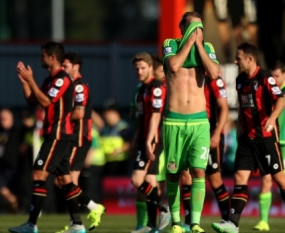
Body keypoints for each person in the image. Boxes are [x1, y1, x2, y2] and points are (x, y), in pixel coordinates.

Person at [212, 42, 285, 233]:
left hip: (266, 138)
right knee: (239, 177)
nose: (235, 61)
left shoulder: (265, 78)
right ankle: (233, 223)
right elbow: (244, 108)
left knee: (280, 179)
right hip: (246, 140)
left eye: (238, 58)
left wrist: (272, 117)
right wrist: (239, 130)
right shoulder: (239, 80)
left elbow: (282, 100)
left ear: (250, 59)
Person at [10, 42, 86, 233]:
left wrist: (31, 80)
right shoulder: (49, 80)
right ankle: (78, 224)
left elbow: (46, 101)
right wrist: (25, 82)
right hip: (54, 135)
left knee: (38, 174)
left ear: (52, 57)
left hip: (58, 135)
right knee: (65, 182)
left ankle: (31, 225)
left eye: (42, 55)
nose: (40, 58)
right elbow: (32, 101)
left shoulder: (62, 79)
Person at [161, 11, 220, 233]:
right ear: (182, 28)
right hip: (174, 121)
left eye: (200, 28)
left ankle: (194, 223)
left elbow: (214, 73)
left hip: (199, 122)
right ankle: (176, 222)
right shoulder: (171, 45)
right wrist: (189, 42)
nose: (198, 32)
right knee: (174, 173)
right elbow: (174, 66)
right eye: (192, 28)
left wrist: (200, 46)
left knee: (198, 172)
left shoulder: (208, 49)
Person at [54, 52, 105, 232]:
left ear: (76, 67)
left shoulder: (79, 86)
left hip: (78, 139)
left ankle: (77, 223)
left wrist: (58, 118)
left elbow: (79, 112)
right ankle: (88, 212)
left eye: (66, 66)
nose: (63, 69)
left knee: (67, 181)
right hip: (72, 139)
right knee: (64, 181)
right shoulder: (70, 86)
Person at [253, 60, 285, 232]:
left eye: (277, 75)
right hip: (270, 138)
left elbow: (281, 104)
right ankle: (263, 221)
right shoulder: (270, 87)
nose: (273, 78)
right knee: (266, 180)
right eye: (272, 75)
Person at [180, 75, 230, 231]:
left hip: (210, 134)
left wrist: (216, 133)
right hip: (190, 132)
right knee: (186, 175)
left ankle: (228, 220)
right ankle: (189, 222)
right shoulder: (189, 78)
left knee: (214, 178)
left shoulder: (215, 81)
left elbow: (224, 108)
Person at [129, 52, 170, 233]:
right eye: (137, 68)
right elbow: (141, 119)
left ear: (151, 68)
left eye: (143, 68)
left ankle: (163, 209)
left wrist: (148, 141)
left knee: (137, 179)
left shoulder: (157, 87)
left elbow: (155, 116)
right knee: (150, 182)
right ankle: (153, 226)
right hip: (144, 138)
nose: (139, 71)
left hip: (153, 140)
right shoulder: (142, 90)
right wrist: (137, 139)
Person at [0, 108, 22, 213]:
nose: (2, 121)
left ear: (11, 119)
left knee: (13, 189)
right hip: (1, 165)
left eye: (5, 118)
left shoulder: (17, 131)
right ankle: (13, 205)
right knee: (1, 188)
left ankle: (15, 207)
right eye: (0, 118)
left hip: (15, 165)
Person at [92, 100, 133, 177]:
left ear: (115, 114)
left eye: (108, 113)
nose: (105, 115)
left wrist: (119, 150)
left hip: (119, 164)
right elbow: (99, 123)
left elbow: (129, 143)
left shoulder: (123, 127)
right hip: (106, 163)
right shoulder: (106, 129)